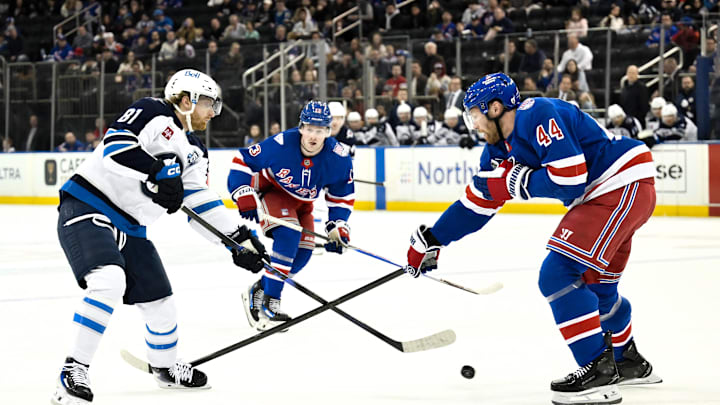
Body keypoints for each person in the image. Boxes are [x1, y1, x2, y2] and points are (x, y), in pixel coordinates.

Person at [403, 73, 661, 405]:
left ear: (495, 108)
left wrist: (515, 182)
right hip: (619, 190)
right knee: (598, 290)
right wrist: (433, 238)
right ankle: (628, 362)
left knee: (557, 274)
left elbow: (569, 179)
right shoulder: (497, 149)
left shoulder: (537, 113)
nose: (474, 124)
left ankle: (597, 373)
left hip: (618, 183)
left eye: (475, 114)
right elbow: (477, 203)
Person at [51, 69, 269, 404]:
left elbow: (199, 203)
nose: (213, 112)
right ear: (185, 100)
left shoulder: (196, 151)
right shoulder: (153, 111)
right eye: (208, 103)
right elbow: (115, 148)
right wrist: (156, 170)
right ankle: (74, 368)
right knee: (109, 280)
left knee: (161, 302)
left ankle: (165, 368)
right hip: (87, 204)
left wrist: (237, 239)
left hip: (132, 227)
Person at [227, 100, 355, 331]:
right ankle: (270, 303)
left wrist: (337, 227)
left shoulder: (339, 157)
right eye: (309, 129)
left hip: (303, 205)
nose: (313, 136)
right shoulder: (281, 143)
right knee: (288, 236)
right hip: (274, 192)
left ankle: (261, 288)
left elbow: (341, 196)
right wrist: (243, 192)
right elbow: (243, 160)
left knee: (304, 254)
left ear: (328, 131)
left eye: (320, 130)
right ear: (301, 127)